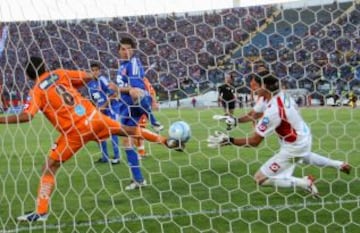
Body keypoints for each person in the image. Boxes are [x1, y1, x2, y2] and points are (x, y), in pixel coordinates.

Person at [0, 56, 181, 222]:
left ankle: (41, 211)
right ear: (45, 66)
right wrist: (75, 86)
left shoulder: (36, 90)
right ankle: (165, 140)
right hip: (93, 117)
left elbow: (27, 116)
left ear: (28, 75)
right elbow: (87, 77)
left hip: (74, 132)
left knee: (50, 166)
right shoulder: (60, 73)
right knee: (127, 130)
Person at [208, 75, 351, 198]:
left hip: (294, 144)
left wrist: (230, 140)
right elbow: (255, 114)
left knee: (261, 178)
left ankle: (305, 183)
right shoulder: (275, 95)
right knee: (304, 156)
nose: (252, 90)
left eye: (254, 86)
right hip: (302, 134)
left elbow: (255, 141)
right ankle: (339, 164)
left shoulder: (274, 111)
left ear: (264, 86)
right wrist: (236, 120)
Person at [115, 37, 163, 190]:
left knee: (136, 93)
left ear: (133, 50)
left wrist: (120, 89)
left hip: (136, 104)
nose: (126, 51)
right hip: (125, 107)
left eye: (129, 48)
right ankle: (138, 179)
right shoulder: (121, 66)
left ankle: (154, 120)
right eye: (123, 49)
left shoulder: (133, 63)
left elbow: (134, 89)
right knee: (126, 142)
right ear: (119, 51)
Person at [87, 63, 121, 164]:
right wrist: (95, 108)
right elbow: (93, 99)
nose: (95, 72)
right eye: (93, 70)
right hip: (101, 110)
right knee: (100, 133)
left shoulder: (103, 80)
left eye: (96, 70)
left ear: (100, 71)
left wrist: (104, 105)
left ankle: (117, 156)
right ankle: (105, 157)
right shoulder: (89, 84)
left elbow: (113, 94)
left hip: (111, 108)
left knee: (113, 131)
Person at [134, 77, 159, 158]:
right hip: (136, 107)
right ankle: (140, 152)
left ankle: (141, 152)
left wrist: (154, 102)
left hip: (141, 107)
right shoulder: (138, 79)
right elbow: (152, 92)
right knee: (137, 130)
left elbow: (151, 91)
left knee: (138, 129)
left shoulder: (143, 80)